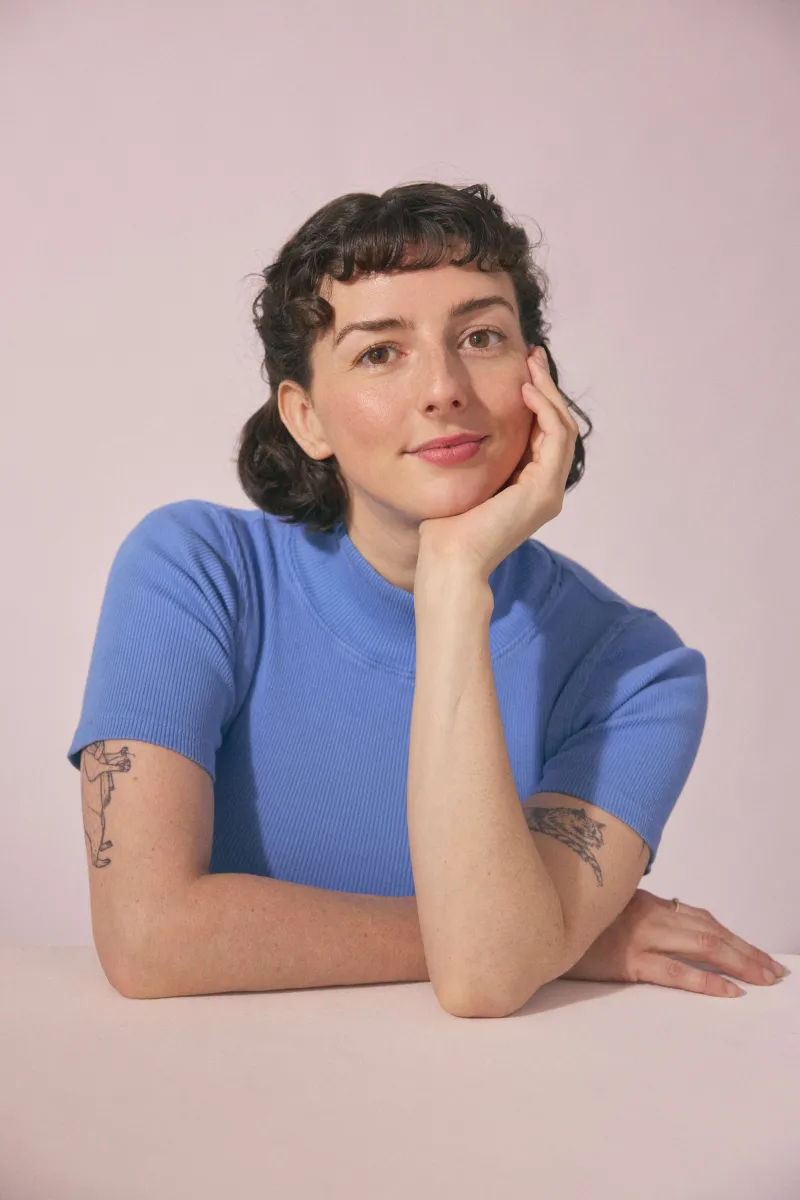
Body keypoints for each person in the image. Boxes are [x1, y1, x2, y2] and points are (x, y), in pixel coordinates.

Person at [67, 181, 785, 1002]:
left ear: (538, 381)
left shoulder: (636, 671)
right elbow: (147, 942)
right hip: (227, 1100)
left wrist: (451, 582)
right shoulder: (195, 571)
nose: (444, 387)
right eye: (380, 352)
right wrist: (547, 934)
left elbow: (485, 983)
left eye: (481, 336)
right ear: (307, 419)